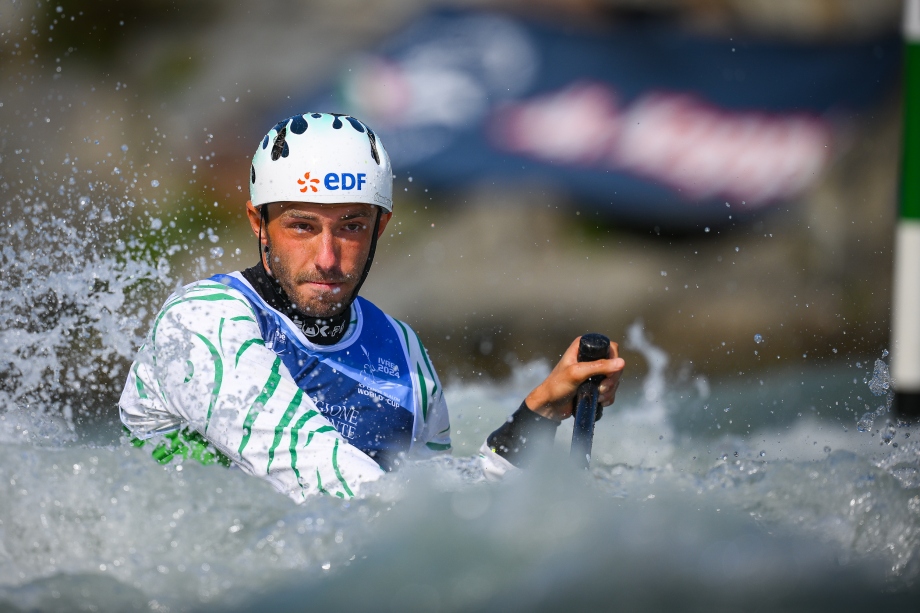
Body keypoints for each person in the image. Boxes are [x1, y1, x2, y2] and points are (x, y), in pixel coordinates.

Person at [119, 112, 625, 502]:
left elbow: (438, 506)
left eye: (351, 226)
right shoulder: (201, 323)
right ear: (258, 223)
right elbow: (329, 483)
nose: (328, 257)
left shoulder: (403, 352)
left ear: (379, 228)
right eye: (301, 226)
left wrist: (535, 416)